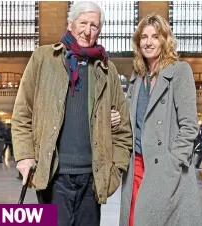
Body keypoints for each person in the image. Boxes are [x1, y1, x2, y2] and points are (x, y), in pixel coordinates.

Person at [11, 1, 132, 226]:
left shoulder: (107, 69)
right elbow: (22, 113)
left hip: (92, 179)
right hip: (53, 177)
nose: (87, 31)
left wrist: (115, 169)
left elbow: (123, 129)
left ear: (100, 30)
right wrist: (25, 155)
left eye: (94, 26)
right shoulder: (43, 58)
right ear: (70, 24)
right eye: (83, 23)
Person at [119, 14, 202, 226]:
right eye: (144, 37)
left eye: (155, 36)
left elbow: (189, 127)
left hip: (165, 169)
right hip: (137, 166)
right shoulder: (137, 76)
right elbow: (135, 120)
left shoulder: (179, 71)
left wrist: (172, 164)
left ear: (165, 40)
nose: (148, 42)